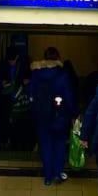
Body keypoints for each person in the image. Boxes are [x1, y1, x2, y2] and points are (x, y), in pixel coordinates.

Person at [31, 47, 76, 186]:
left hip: (42, 117)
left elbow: (32, 95)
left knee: (46, 146)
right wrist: (74, 113)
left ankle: (47, 177)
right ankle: (57, 172)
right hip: (60, 116)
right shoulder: (63, 75)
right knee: (60, 144)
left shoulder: (36, 74)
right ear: (58, 58)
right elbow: (69, 96)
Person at [0, 46, 28, 149]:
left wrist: (25, 81)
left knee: (16, 121)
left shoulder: (22, 65)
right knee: (4, 120)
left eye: (13, 60)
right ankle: (4, 141)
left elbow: (27, 77)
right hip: (5, 97)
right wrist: (1, 83)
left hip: (16, 97)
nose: (12, 62)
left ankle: (13, 142)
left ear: (17, 57)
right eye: (10, 60)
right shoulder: (2, 65)